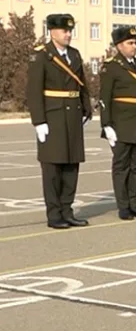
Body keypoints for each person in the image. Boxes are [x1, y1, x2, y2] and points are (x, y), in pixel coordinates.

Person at [26, 13, 92, 229]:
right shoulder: (42, 56)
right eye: (64, 30)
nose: (68, 34)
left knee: (72, 166)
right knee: (53, 169)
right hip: (52, 116)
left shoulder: (74, 54)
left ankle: (67, 210)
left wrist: (86, 108)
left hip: (72, 116)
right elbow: (34, 91)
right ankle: (54, 215)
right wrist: (39, 121)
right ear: (51, 31)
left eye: (70, 30)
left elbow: (81, 83)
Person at [99, 25, 136, 220]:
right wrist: (106, 125)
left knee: (135, 166)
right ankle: (123, 205)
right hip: (121, 123)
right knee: (121, 166)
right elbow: (104, 97)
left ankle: (133, 202)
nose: (134, 46)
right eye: (129, 43)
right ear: (119, 45)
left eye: (135, 42)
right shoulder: (111, 66)